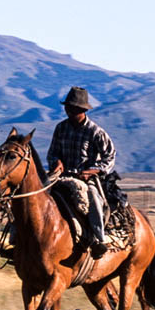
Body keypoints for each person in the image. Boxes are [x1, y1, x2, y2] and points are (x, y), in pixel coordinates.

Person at [46, 86, 116, 257]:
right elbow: (52, 152)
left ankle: (99, 240)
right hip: (61, 176)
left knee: (94, 201)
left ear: (82, 110)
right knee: (31, 194)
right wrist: (56, 162)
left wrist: (93, 171)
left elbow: (110, 155)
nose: (68, 111)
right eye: (67, 107)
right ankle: (16, 239)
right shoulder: (60, 128)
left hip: (85, 178)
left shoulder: (95, 132)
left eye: (72, 108)